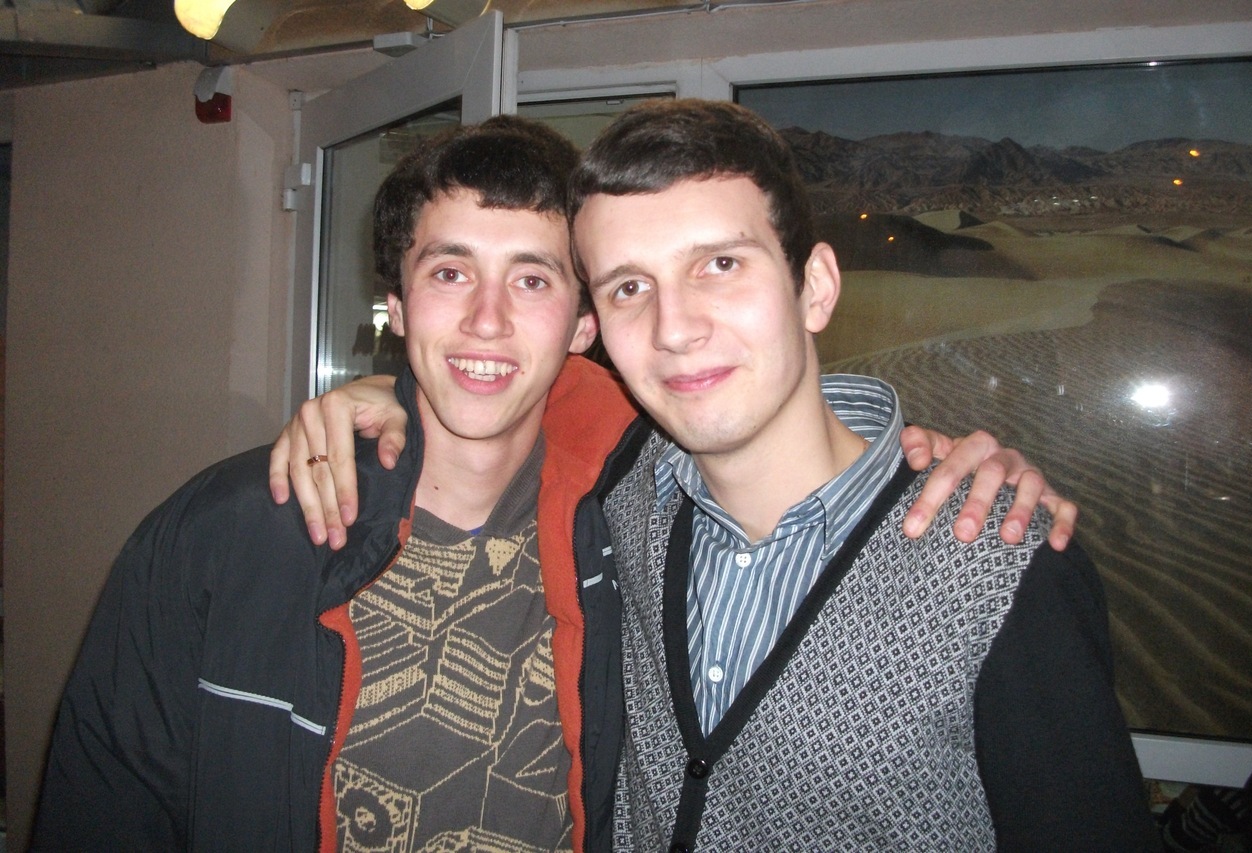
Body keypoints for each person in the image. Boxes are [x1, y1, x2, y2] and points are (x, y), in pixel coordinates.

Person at [32, 115, 1062, 853]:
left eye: (531, 278)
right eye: (449, 274)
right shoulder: (226, 538)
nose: (485, 320)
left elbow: (752, 412)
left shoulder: (621, 511)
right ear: (396, 309)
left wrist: (919, 456)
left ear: (581, 327)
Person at [280, 101, 1155, 851]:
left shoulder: (998, 564)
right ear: (598, 330)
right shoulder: (623, 495)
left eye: (721, 265)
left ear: (814, 286)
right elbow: (495, 378)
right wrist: (379, 393)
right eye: (629, 287)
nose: (675, 327)